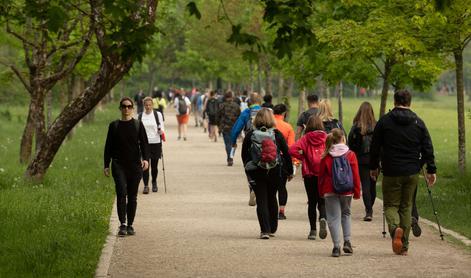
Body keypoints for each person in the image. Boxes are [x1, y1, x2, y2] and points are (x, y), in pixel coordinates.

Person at [370, 89, 437, 256]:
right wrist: (431, 170)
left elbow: (375, 147)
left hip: (391, 170)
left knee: (391, 205)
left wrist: (374, 167)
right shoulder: (418, 122)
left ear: (394, 102)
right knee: (406, 207)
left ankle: (395, 229)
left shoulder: (384, 122)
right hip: (412, 171)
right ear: (409, 102)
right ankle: (404, 246)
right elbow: (428, 147)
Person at [241, 108, 293, 239]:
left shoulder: (251, 134)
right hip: (275, 170)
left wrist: (248, 168)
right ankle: (272, 227)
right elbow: (286, 154)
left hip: (257, 170)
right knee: (272, 197)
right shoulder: (277, 134)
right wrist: (290, 171)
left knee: (261, 199)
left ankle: (264, 230)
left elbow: (244, 154)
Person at [104, 97, 149, 236]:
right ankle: (122, 224)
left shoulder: (138, 125)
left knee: (132, 196)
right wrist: (106, 164)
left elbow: (144, 143)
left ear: (133, 108)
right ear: (120, 108)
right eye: (124, 106)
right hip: (118, 164)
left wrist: (146, 159)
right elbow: (108, 146)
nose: (126, 109)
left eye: (129, 106)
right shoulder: (114, 125)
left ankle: (130, 224)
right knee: (121, 193)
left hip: (135, 165)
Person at [319, 128, 361, 257]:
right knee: (346, 214)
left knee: (333, 217)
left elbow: (321, 177)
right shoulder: (350, 154)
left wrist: (321, 192)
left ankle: (336, 246)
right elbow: (355, 175)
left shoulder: (326, 155)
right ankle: (347, 241)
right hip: (346, 189)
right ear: (343, 138)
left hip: (329, 189)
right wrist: (357, 191)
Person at [289, 116, 328, 240]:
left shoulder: (306, 138)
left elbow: (292, 149)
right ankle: (323, 217)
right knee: (322, 200)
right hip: (323, 173)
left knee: (312, 202)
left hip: (309, 173)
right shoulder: (326, 137)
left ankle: (312, 231)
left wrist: (303, 157)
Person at [231, 92, 262, 206]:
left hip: (250, 143)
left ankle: (252, 187)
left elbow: (236, 129)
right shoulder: (267, 112)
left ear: (250, 101)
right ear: (260, 100)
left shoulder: (246, 113)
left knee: (248, 166)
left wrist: (233, 142)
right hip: (266, 144)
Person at [347, 102, 376, 221]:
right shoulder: (377, 126)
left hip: (361, 159)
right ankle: (370, 207)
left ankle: (369, 211)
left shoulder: (356, 127)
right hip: (374, 159)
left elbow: (350, 144)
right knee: (372, 185)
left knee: (365, 185)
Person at [272, 104, 295, 220]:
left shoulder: (268, 125)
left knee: (271, 187)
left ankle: (271, 209)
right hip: (282, 161)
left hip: (269, 159)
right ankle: (281, 211)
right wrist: (292, 167)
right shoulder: (288, 127)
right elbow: (290, 148)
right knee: (282, 187)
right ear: (284, 113)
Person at [139, 97, 165, 194]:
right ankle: (146, 185)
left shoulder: (158, 115)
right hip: (144, 143)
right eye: (146, 105)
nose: (148, 107)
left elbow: (162, 128)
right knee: (145, 165)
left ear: (152, 105)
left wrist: (160, 131)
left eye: (150, 105)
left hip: (156, 142)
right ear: (144, 105)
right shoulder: (140, 115)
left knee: (154, 166)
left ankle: (154, 182)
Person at [217, 91, 241, 166]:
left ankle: (229, 158)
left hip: (225, 127)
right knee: (233, 143)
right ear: (232, 97)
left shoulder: (222, 106)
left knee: (227, 144)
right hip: (235, 127)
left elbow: (218, 116)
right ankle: (231, 157)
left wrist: (219, 126)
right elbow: (239, 117)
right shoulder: (236, 106)